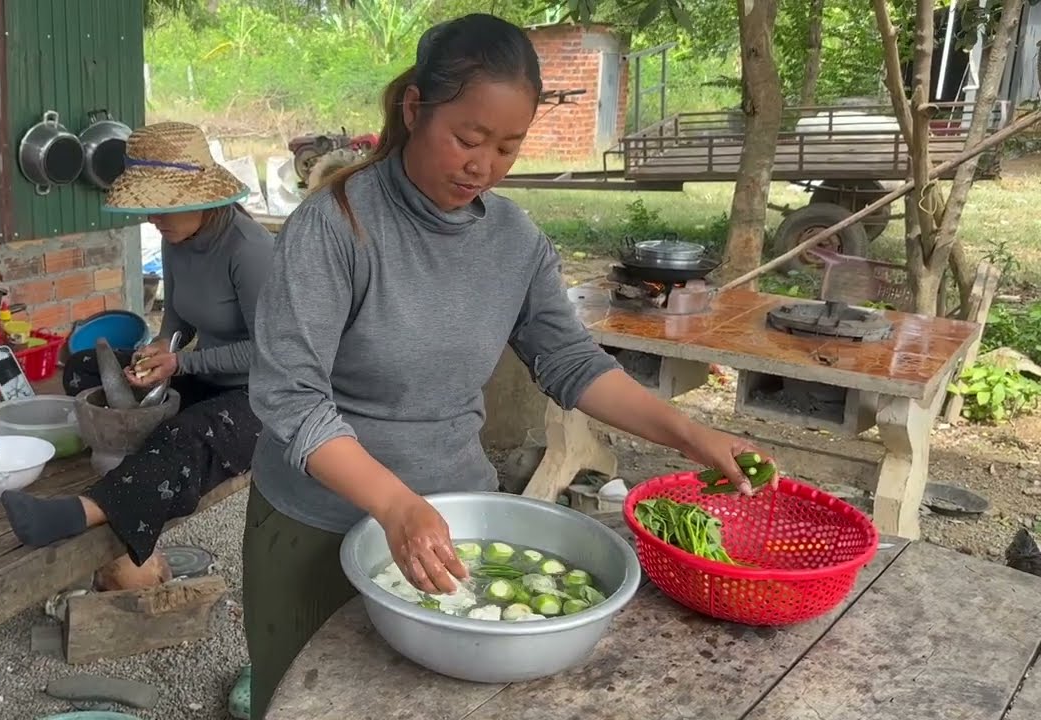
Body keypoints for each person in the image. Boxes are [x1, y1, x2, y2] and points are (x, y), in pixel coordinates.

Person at [239, 14, 772, 718]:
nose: (483, 166)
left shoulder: (514, 241)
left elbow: (570, 360)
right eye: (468, 138)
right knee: (301, 702)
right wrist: (395, 504)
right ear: (414, 108)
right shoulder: (336, 226)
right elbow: (293, 397)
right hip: (317, 524)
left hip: (456, 523)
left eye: (508, 147)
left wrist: (689, 435)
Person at [1, 121, 272, 588]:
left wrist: (180, 363)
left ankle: (78, 512)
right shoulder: (176, 238)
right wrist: (159, 347)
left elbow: (270, 353)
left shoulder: (249, 250)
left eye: (160, 208)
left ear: (200, 200)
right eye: (149, 208)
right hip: (206, 376)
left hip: (262, 396)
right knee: (86, 367)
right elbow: (178, 319)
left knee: (187, 435)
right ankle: (136, 449)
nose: (152, 219)